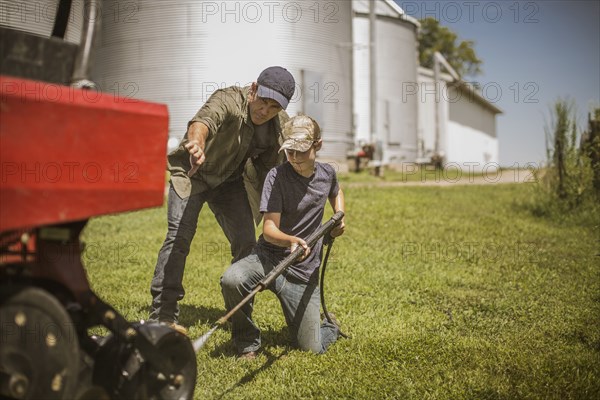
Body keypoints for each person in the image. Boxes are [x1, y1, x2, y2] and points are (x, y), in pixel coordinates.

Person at [149, 67, 296, 334]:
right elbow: (202, 123)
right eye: (263, 100)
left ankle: (239, 314)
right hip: (193, 174)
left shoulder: (278, 125)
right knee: (179, 238)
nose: (265, 110)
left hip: (229, 182)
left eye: (274, 107)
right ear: (253, 89)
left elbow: (282, 169)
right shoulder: (228, 99)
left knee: (246, 243)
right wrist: (196, 145)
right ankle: (163, 314)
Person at [220, 115, 346, 359]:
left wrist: (340, 215)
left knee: (312, 348)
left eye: (301, 151)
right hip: (267, 258)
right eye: (290, 152)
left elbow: (336, 190)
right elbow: (269, 229)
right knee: (232, 279)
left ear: (317, 145)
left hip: (302, 271)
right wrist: (290, 240)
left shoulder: (327, 173)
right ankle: (247, 343)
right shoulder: (276, 176)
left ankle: (330, 327)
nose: (295, 159)